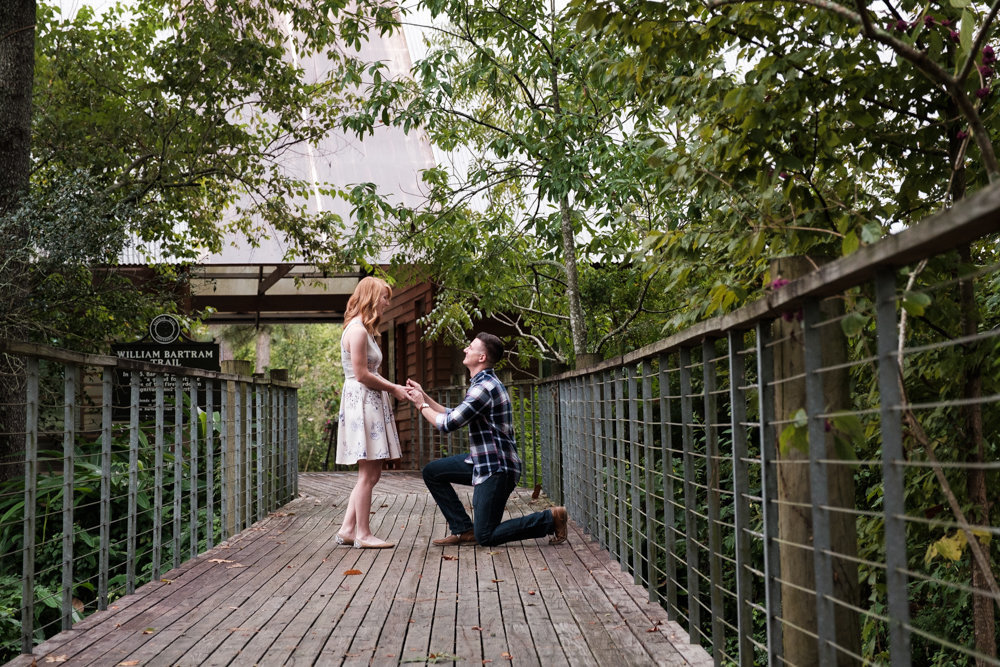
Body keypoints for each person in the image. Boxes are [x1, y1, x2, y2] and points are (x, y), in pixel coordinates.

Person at [406, 332, 568, 547]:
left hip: (497, 469)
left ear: (481, 358)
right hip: (482, 462)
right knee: (433, 472)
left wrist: (420, 405)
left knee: (486, 536)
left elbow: (447, 424)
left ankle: (550, 519)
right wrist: (424, 396)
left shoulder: (484, 388)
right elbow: (453, 412)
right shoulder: (482, 383)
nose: (465, 349)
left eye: (470, 347)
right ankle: (463, 530)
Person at [334, 276, 408, 549]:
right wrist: (394, 388)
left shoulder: (364, 330)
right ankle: (363, 535)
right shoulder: (357, 331)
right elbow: (362, 374)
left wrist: (390, 389)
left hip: (369, 401)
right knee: (367, 474)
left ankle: (348, 529)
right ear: (371, 298)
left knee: (373, 473)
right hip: (362, 400)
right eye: (384, 297)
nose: (388, 303)